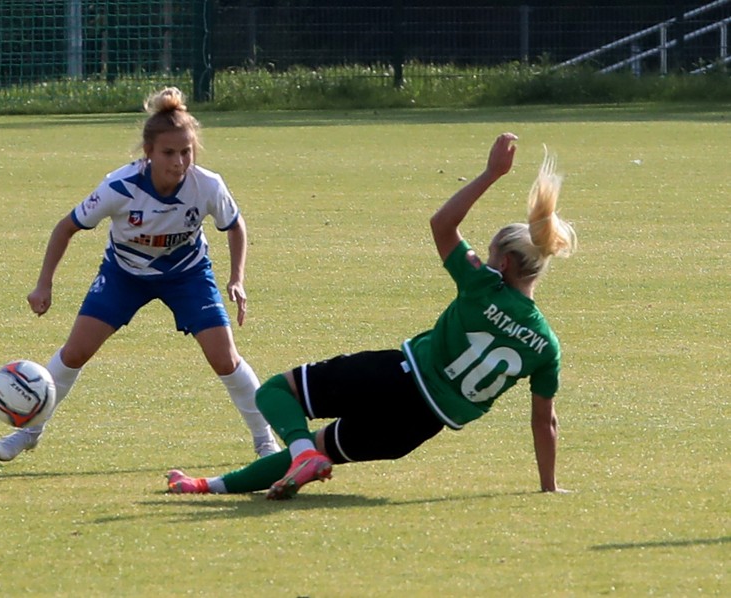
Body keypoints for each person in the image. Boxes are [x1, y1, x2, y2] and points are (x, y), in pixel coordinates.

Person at [166, 132, 577, 499]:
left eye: (490, 255)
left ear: (503, 264)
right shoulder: (547, 345)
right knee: (318, 448)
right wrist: (548, 487)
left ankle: (301, 454)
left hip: (398, 376)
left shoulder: (483, 286)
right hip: (417, 428)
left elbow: (442, 225)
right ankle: (208, 486)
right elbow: (546, 422)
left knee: (275, 392)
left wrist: (491, 174)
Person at [0, 87, 280, 462]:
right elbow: (66, 227)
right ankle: (28, 432)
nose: (179, 162)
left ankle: (265, 441)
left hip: (188, 275)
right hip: (124, 274)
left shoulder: (207, 184)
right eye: (169, 153)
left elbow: (235, 226)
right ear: (149, 153)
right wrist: (43, 283)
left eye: (186, 152)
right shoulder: (118, 187)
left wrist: (236, 277)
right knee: (75, 351)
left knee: (225, 358)